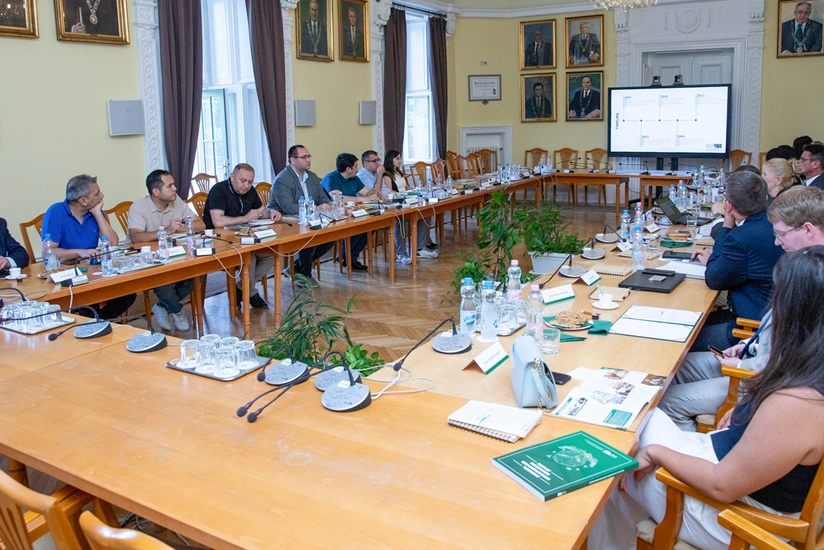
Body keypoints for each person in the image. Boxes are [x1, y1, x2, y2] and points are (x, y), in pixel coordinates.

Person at [590, 246, 824, 550]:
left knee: (612, 449)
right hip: (737, 470)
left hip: (739, 520)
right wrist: (746, 411)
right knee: (634, 414)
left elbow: (721, 484)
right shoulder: (808, 368)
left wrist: (657, 454)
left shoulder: (799, 403)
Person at [658, 186, 824, 431]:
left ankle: (692, 458)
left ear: (807, 229)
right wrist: (748, 346)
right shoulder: (803, 262)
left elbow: (798, 363)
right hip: (754, 356)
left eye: (781, 234)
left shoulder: (814, 277)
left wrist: (743, 366)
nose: (777, 242)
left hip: (765, 380)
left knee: (667, 402)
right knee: (669, 370)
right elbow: (777, 328)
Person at [690, 171, 784, 350]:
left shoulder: (742, 237)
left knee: (683, 337)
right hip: (769, 317)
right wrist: (716, 260)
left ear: (729, 205)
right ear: (764, 197)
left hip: (749, 329)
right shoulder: (772, 223)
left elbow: (714, 279)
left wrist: (726, 224)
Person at [41, 174, 135, 319]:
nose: (102, 196)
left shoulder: (93, 212)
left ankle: (100, 322)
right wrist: (79, 252)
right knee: (88, 299)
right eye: (97, 193)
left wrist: (97, 214)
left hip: (93, 269)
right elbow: (49, 252)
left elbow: (113, 243)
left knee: (128, 292)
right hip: (67, 272)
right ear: (83, 200)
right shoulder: (56, 212)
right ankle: (96, 324)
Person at [127, 170, 205, 331]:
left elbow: (201, 225)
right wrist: (166, 231)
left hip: (177, 254)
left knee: (202, 269)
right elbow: (136, 237)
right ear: (156, 192)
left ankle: (163, 306)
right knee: (163, 279)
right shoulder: (139, 207)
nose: (175, 188)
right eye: (170, 186)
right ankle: (176, 309)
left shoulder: (177, 202)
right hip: (151, 260)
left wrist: (182, 228)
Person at [203, 163, 281, 309]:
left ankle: (240, 288)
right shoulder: (219, 191)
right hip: (220, 240)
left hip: (244, 237)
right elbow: (217, 221)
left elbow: (261, 211)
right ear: (232, 177)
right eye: (243, 181)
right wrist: (245, 218)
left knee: (270, 255)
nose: (246, 186)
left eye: (250, 182)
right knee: (249, 258)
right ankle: (251, 294)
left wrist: (270, 213)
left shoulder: (250, 191)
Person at [269, 145, 335, 289]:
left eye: (309, 156)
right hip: (284, 221)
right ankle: (304, 275)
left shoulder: (311, 176)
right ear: (293, 160)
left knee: (331, 236)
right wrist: (316, 208)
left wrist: (330, 204)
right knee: (310, 235)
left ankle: (296, 267)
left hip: (307, 218)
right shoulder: (283, 179)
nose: (308, 160)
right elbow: (288, 207)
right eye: (304, 157)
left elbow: (322, 197)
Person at [321, 153, 379, 271]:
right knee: (356, 227)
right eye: (356, 166)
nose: (358, 169)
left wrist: (373, 195)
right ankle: (347, 257)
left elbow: (366, 193)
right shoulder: (331, 178)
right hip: (333, 215)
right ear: (348, 169)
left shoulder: (354, 178)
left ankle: (348, 256)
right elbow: (338, 199)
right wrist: (363, 199)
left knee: (371, 225)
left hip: (352, 212)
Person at [380, 150, 438, 264]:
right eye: (397, 158)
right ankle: (401, 253)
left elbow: (407, 186)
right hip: (396, 203)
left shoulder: (399, 173)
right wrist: (403, 195)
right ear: (390, 160)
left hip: (407, 201)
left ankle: (420, 249)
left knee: (422, 216)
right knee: (399, 222)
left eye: (400, 158)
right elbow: (389, 191)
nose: (400, 161)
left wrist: (415, 191)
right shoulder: (387, 175)